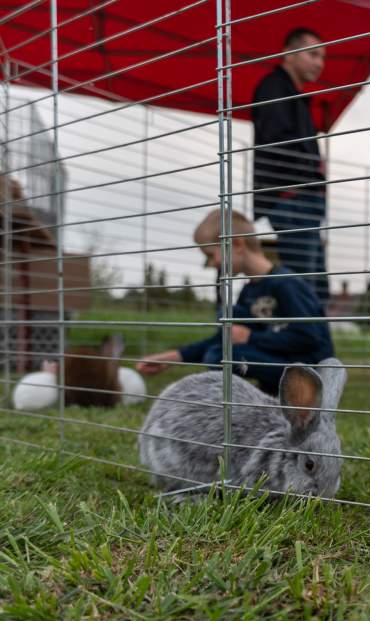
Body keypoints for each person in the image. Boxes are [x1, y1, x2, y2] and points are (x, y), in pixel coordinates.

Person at [136, 209, 334, 395]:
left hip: (309, 374)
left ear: (237, 245)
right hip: (282, 365)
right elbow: (225, 339)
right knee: (225, 332)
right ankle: (260, 394)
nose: (212, 263)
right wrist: (173, 357)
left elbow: (310, 337)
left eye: (210, 255)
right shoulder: (250, 291)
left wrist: (250, 338)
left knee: (221, 355)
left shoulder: (286, 283)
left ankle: (253, 398)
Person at [252, 27, 330, 302]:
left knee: (316, 288)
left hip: (302, 198)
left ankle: (310, 342)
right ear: (290, 53)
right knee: (303, 287)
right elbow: (278, 142)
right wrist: (310, 175)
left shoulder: (293, 96)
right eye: (313, 54)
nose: (319, 63)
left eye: (322, 57)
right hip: (294, 198)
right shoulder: (274, 88)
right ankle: (297, 342)